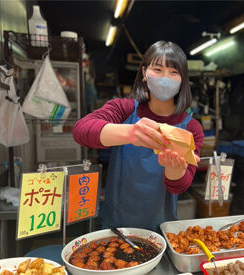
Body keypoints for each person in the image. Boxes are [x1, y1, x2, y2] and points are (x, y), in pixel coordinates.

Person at [73, 41, 204, 231]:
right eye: (158, 69)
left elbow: (180, 187)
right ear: (144, 73)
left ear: (183, 79)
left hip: (161, 228)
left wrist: (173, 169)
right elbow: (81, 130)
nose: (165, 78)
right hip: (117, 227)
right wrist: (130, 133)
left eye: (174, 72)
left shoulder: (191, 128)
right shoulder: (124, 110)